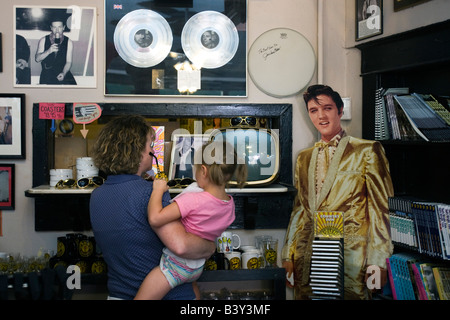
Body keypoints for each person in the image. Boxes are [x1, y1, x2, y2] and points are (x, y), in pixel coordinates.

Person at [281, 84, 394, 300]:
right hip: (309, 256)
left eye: (327, 108)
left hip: (351, 258)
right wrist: (289, 255)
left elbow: (381, 211)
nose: (321, 116)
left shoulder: (368, 150)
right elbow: (300, 211)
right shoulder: (303, 158)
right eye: (314, 110)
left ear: (340, 111)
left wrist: (378, 261)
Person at [89, 115, 215, 300]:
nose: (152, 151)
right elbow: (181, 246)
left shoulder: (96, 196)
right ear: (136, 150)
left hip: (118, 295)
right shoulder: (151, 193)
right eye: (150, 145)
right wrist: (210, 246)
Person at [135, 140, 247, 300]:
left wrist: (157, 190)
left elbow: (155, 218)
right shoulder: (229, 205)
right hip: (197, 266)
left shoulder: (193, 200)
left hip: (175, 266)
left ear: (203, 170)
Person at [35, 14, 76, 85]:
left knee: (73, 92)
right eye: (54, 27)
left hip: (63, 72)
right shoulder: (43, 40)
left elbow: (69, 62)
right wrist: (48, 51)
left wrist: (64, 73)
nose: (57, 30)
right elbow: (37, 59)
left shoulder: (69, 42)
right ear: (51, 28)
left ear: (63, 27)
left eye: (59, 27)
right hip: (47, 74)